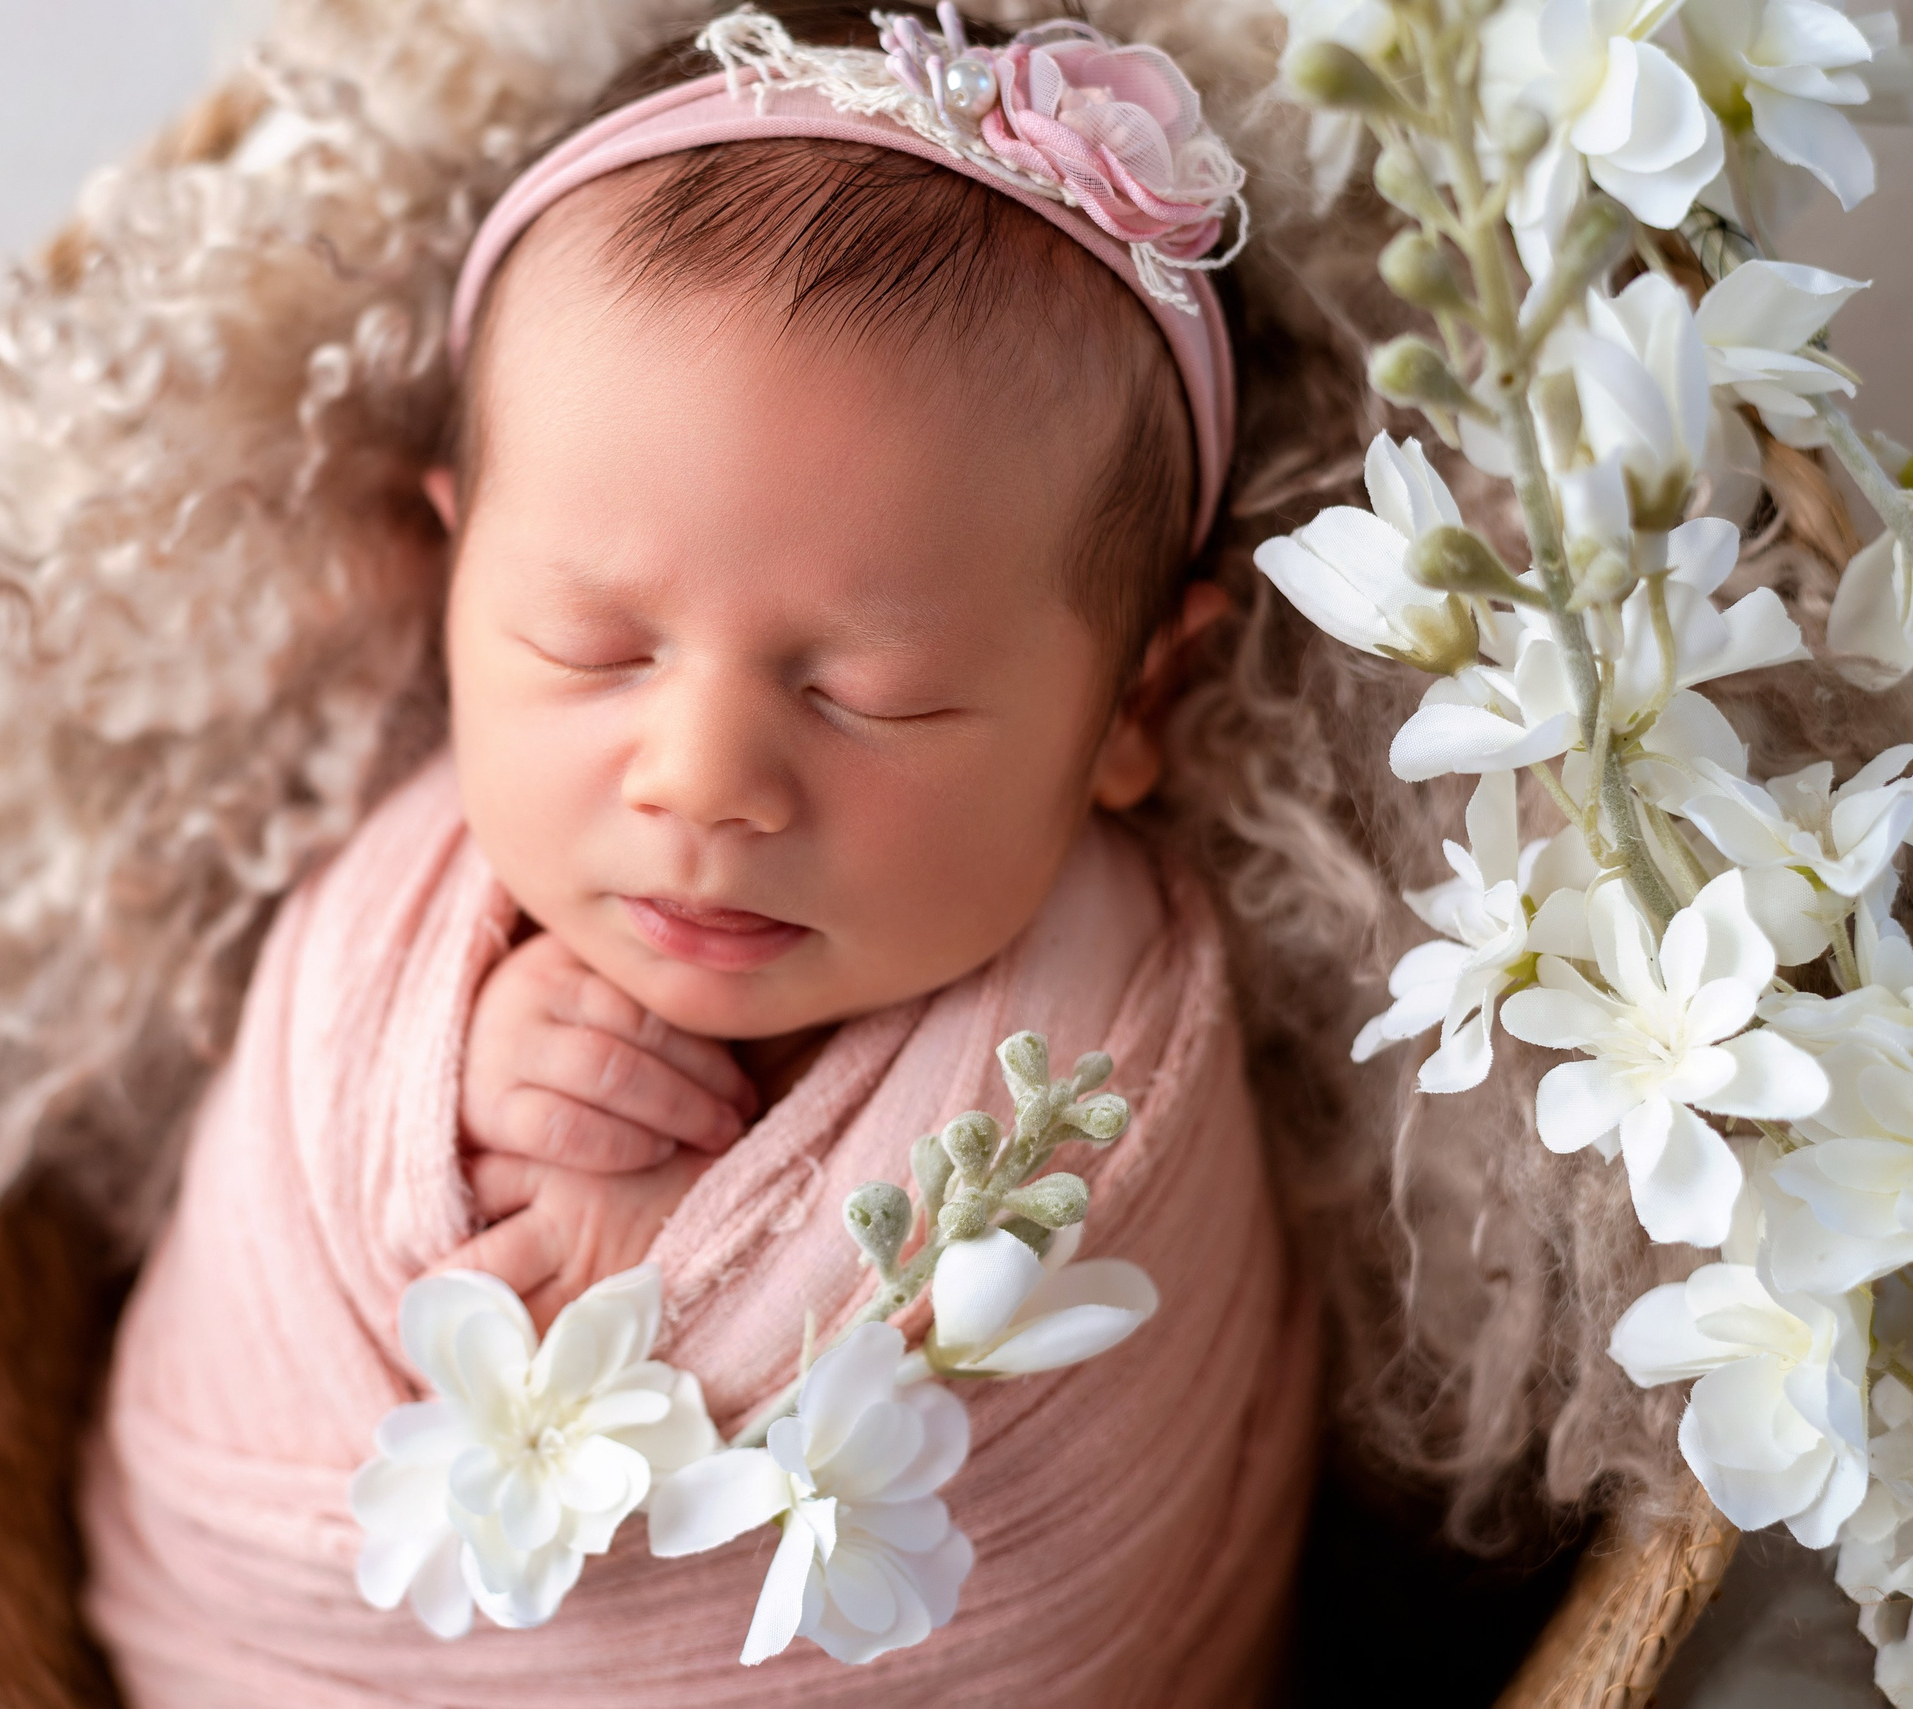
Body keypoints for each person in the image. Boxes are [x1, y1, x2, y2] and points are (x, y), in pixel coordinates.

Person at [77, 7, 1317, 1704]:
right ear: (452, 569)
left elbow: (1063, 1544)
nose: (707, 779)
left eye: (868, 692)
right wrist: (459, 1085)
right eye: (594, 647)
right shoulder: (418, 894)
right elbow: (303, 1198)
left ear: (1131, 701)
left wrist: (690, 1267)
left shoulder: (1116, 1027)